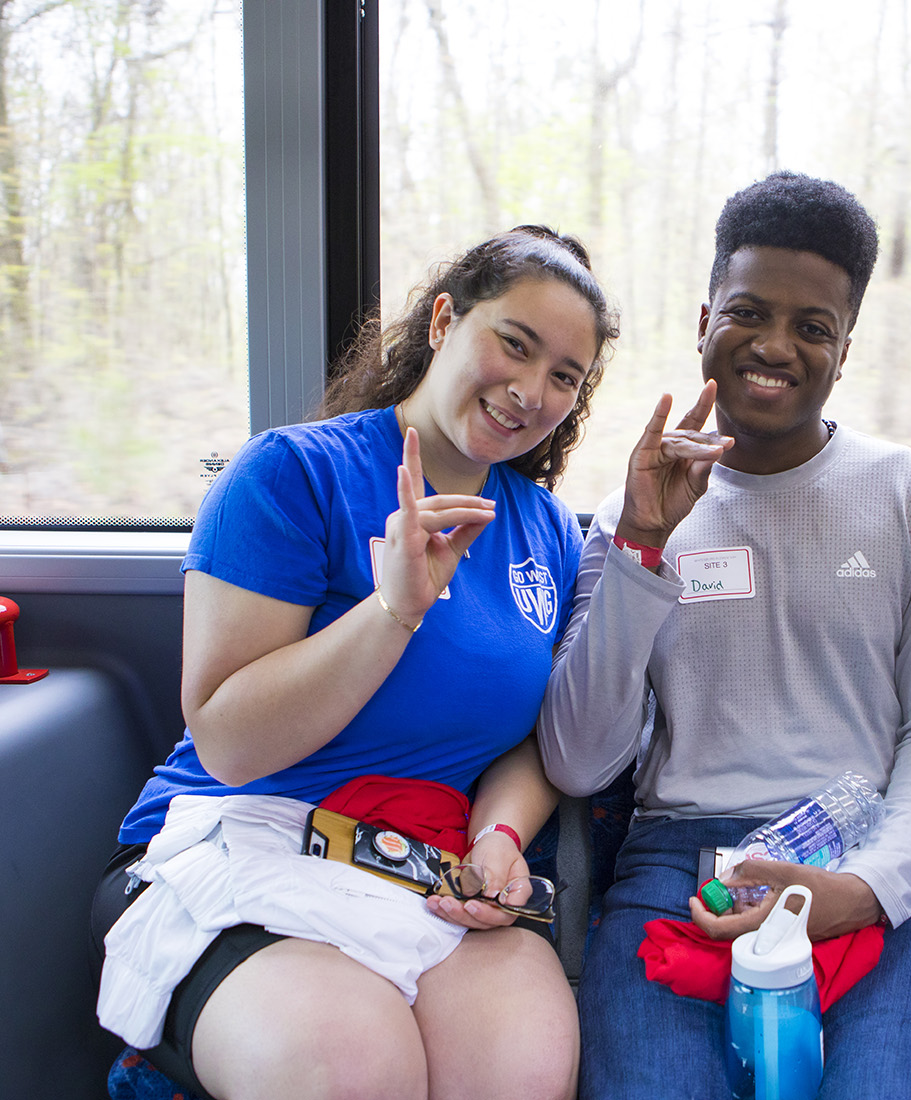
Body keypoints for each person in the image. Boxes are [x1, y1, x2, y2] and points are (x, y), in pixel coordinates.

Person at [90, 226, 619, 1100]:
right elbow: (227, 740)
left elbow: (536, 741)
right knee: (354, 1068)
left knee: (520, 1071)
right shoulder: (292, 474)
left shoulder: (550, 534)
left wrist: (499, 837)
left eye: (566, 376)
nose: (531, 391)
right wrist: (391, 614)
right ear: (445, 319)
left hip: (426, 871)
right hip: (245, 842)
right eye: (514, 344)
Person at [537, 171, 911, 1100]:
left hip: (878, 858)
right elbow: (579, 763)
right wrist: (642, 549)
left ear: (845, 350)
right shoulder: (627, 515)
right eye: (748, 312)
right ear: (705, 317)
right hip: (684, 867)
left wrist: (867, 888)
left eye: (813, 328)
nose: (776, 347)